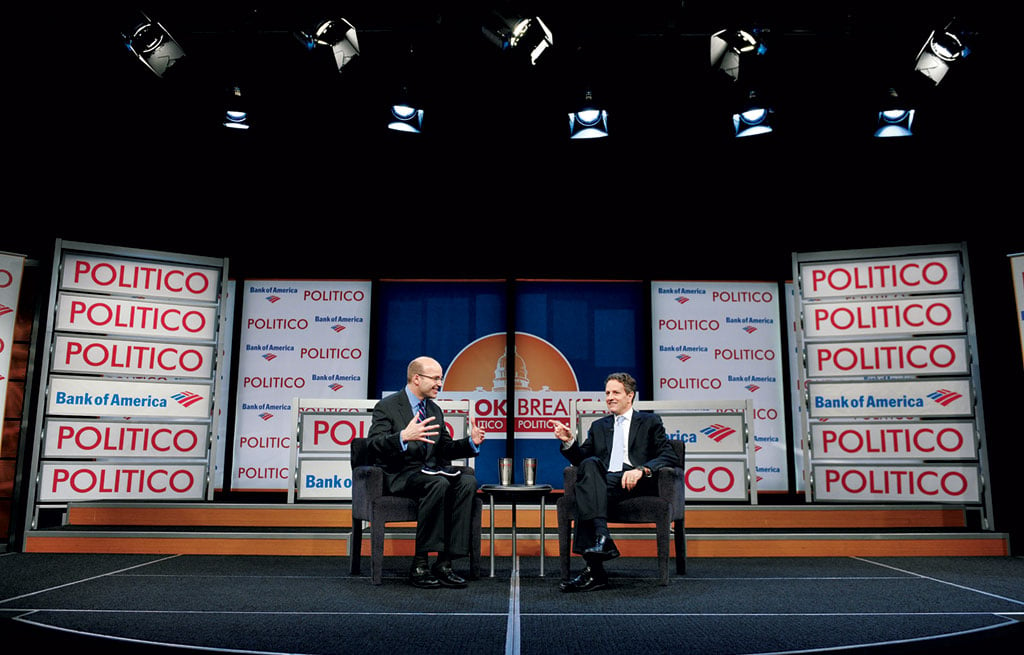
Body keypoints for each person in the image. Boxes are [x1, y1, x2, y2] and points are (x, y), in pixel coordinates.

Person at [549, 372, 679, 592]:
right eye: (607, 392)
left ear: (630, 396)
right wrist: (569, 441)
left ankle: (594, 571)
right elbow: (581, 461)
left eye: (615, 392)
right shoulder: (599, 426)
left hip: (635, 482)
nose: (609, 397)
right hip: (604, 482)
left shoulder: (649, 421)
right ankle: (601, 539)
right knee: (589, 466)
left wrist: (642, 469)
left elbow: (669, 455)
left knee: (585, 490)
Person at [366, 356, 486, 589]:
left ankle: (445, 563)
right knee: (439, 484)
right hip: (400, 474)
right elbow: (373, 445)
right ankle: (420, 564)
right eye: (435, 378)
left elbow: (444, 449)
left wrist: (470, 443)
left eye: (441, 379)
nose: (439, 384)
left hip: (429, 472)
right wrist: (402, 437)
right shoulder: (388, 406)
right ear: (416, 378)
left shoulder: (434, 410)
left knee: (467, 482)